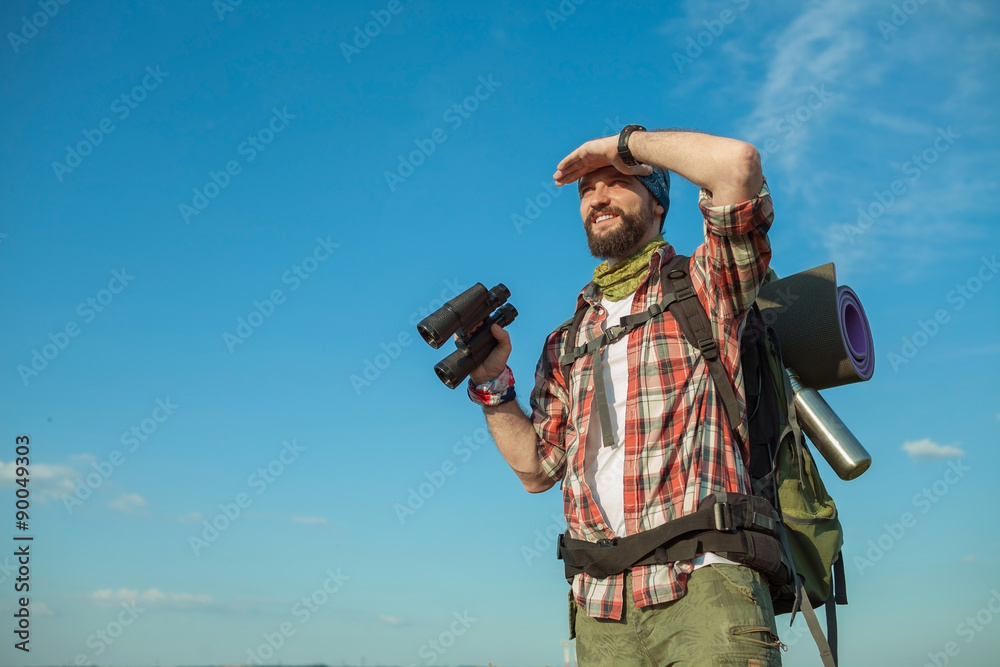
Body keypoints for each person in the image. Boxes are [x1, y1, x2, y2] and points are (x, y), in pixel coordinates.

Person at [466, 126, 781, 666]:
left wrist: (620, 144)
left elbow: (737, 165)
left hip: (704, 585)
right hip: (600, 607)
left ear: (658, 204)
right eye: (588, 190)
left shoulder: (706, 287)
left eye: (617, 183)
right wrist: (494, 385)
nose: (598, 197)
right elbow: (538, 469)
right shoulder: (567, 340)